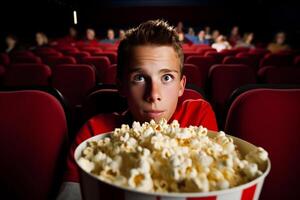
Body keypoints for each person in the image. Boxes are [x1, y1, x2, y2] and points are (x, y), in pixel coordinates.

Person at [56, 19, 218, 200]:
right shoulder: (94, 133)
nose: (153, 94)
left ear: (181, 86)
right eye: (140, 78)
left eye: (166, 77)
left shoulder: (198, 116)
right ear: (122, 86)